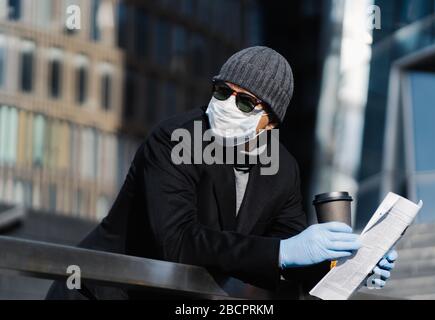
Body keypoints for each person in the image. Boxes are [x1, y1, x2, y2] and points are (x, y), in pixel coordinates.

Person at [47, 46, 397, 299]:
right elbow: (178, 241)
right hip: (98, 293)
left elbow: (285, 258)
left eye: (245, 102)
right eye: (223, 91)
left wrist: (347, 266)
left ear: (270, 122)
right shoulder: (174, 138)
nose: (228, 105)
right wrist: (282, 252)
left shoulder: (283, 170)